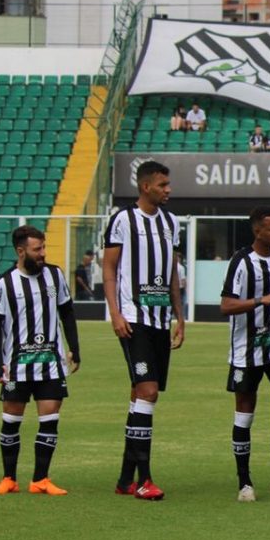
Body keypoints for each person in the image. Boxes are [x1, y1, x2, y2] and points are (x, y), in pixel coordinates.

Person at [103, 161, 184, 500]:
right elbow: (109, 269)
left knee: (142, 396)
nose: (168, 189)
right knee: (147, 391)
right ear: (146, 186)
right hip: (133, 317)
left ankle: (125, 479)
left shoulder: (170, 222)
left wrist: (180, 316)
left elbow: (172, 274)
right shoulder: (123, 220)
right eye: (163, 184)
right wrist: (115, 313)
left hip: (160, 319)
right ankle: (144, 479)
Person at [0, 224, 80, 496]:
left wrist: (75, 347)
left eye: (44, 247)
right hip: (16, 365)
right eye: (37, 249)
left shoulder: (55, 275)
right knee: (11, 421)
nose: (43, 253)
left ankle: (41, 479)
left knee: (49, 420)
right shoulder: (5, 283)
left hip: (51, 362)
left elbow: (67, 311)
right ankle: (9, 478)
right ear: (20, 251)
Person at [219, 208, 270, 503]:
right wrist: (261, 300)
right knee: (245, 413)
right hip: (246, 351)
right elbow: (226, 305)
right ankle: (245, 483)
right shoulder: (241, 262)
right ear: (257, 232)